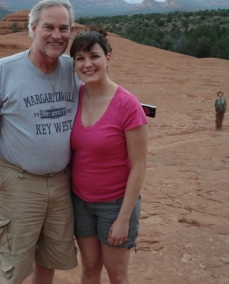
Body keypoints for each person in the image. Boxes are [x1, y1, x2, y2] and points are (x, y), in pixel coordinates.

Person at [0, 0, 80, 284]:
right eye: (49, 27)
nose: (57, 35)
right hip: (18, 182)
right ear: (32, 28)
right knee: (14, 262)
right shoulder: (5, 69)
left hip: (62, 182)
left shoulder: (74, 69)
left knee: (48, 258)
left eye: (64, 28)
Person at [69, 30, 149, 284]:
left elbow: (139, 166)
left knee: (116, 273)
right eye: (80, 58)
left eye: (94, 56)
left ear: (108, 58)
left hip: (114, 205)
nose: (87, 64)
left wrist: (124, 218)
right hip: (80, 202)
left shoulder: (127, 104)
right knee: (90, 268)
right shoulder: (76, 96)